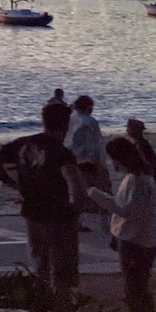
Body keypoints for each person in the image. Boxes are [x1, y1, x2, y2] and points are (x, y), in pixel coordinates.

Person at [0, 98, 88, 293]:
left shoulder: (23, 144)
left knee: (41, 267)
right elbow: (76, 185)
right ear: (66, 124)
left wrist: (14, 184)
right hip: (59, 216)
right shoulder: (61, 152)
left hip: (32, 213)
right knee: (63, 275)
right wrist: (76, 211)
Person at [86, 136, 156, 312]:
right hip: (142, 240)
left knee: (134, 287)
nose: (111, 163)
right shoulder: (144, 178)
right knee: (139, 286)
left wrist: (95, 194)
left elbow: (125, 210)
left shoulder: (135, 181)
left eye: (113, 158)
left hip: (135, 242)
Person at [69, 96, 111, 236]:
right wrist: (98, 162)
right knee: (102, 191)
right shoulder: (89, 122)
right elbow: (93, 144)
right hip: (88, 161)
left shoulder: (72, 118)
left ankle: (77, 221)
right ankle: (107, 222)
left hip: (74, 159)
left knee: (78, 191)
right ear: (88, 106)